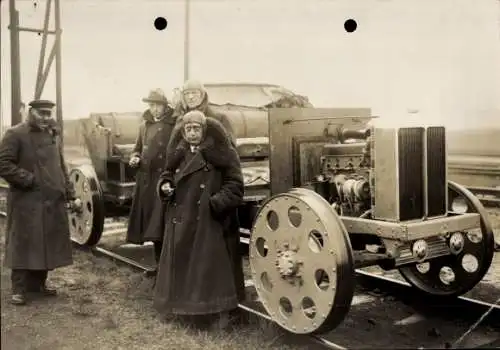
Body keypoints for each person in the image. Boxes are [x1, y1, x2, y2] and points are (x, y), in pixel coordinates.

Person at [153, 110, 245, 329]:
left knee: (207, 270)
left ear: (205, 130)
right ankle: (181, 309)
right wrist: (164, 186)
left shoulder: (223, 153)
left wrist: (215, 204)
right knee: (183, 266)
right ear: (183, 132)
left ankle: (212, 313)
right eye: (188, 129)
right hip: (181, 219)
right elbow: (167, 174)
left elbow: (235, 185)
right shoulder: (178, 153)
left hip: (209, 222)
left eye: (196, 129)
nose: (192, 133)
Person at [0, 99, 81, 305]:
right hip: (26, 200)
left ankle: (38, 285)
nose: (46, 118)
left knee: (46, 241)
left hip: (51, 200)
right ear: (31, 112)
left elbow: (61, 165)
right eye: (41, 114)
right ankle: (18, 289)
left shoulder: (52, 134)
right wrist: (28, 179)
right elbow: (3, 164)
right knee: (23, 242)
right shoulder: (15, 134)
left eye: (48, 114)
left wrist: (70, 192)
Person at [126, 89, 176, 276]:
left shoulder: (174, 124)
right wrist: (135, 157)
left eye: (158, 105)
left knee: (164, 223)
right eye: (151, 105)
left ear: (165, 105)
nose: (155, 109)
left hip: (163, 180)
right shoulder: (144, 125)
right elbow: (137, 148)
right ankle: (159, 267)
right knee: (154, 225)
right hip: (147, 181)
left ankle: (168, 268)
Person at [173, 80, 236, 144]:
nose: (190, 97)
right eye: (187, 93)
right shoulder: (179, 119)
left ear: (202, 95)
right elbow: (173, 145)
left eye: (194, 93)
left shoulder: (218, 118)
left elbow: (230, 145)